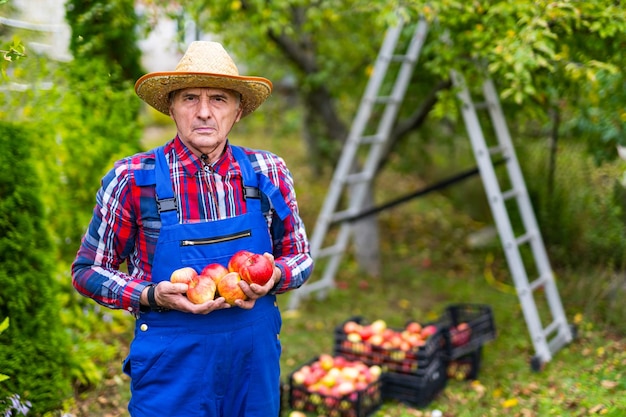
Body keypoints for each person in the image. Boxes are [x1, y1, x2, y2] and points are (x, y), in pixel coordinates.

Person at [71, 41, 314, 417]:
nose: (203, 112)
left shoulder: (269, 172)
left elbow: (299, 256)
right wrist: (152, 295)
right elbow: (87, 271)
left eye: (218, 99)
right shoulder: (134, 179)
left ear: (237, 111)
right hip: (172, 368)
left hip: (253, 364)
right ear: (171, 106)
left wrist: (276, 275)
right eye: (189, 98)